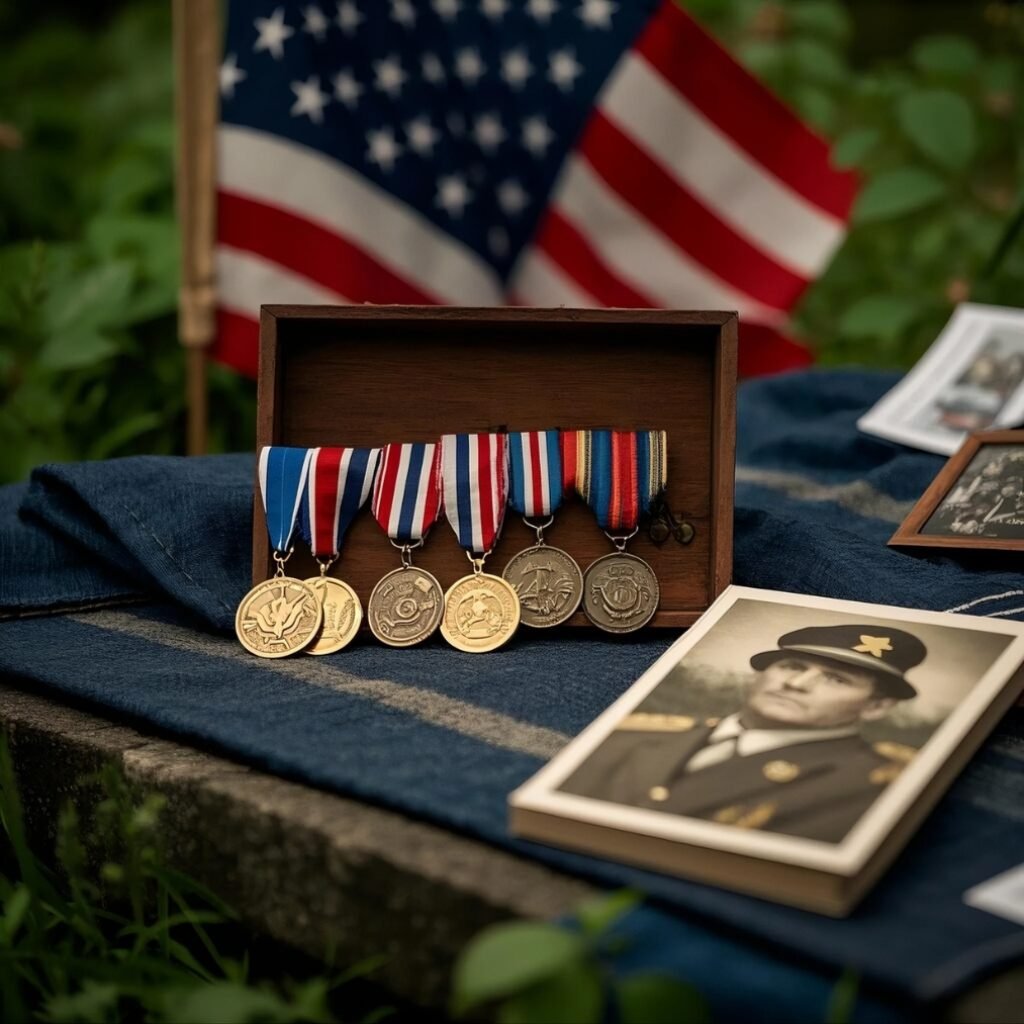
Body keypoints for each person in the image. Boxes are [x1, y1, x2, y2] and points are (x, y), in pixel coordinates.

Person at [560, 624, 927, 843]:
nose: (796, 684)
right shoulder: (633, 734)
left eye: (835, 679)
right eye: (793, 665)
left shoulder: (869, 781)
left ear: (876, 706)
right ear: (760, 673)